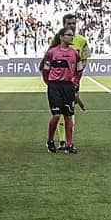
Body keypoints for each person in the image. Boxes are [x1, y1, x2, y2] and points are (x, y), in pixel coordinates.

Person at [40, 27, 83, 155]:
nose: (71, 37)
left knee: (68, 116)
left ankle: (70, 145)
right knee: (56, 115)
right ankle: (50, 140)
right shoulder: (52, 52)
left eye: (72, 35)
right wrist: (49, 82)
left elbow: (79, 70)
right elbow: (45, 69)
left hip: (68, 86)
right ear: (61, 37)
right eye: (69, 35)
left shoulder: (74, 53)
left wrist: (75, 83)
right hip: (55, 86)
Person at [51, 12, 90, 151]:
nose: (72, 26)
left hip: (73, 82)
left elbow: (84, 59)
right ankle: (61, 140)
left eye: (74, 23)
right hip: (58, 81)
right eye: (69, 24)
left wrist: (76, 77)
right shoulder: (56, 40)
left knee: (69, 111)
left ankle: (68, 141)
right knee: (59, 111)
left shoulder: (82, 41)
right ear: (64, 25)